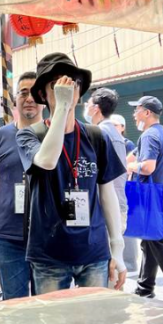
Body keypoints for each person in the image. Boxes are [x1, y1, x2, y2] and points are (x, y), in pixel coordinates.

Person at [17, 53, 127, 295]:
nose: (66, 88)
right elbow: (47, 161)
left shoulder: (96, 136)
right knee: (53, 319)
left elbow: (107, 192)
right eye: (56, 84)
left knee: (93, 317)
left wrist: (117, 248)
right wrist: (61, 107)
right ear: (43, 94)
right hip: (49, 254)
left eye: (72, 83)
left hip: (94, 252)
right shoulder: (30, 135)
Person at [0, 72, 42, 300]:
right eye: (23, 93)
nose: (29, 98)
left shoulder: (54, 136)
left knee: (48, 306)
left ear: (44, 98)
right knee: (14, 304)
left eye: (35, 92)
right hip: (9, 236)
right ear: (15, 100)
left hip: (48, 234)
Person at [126, 96, 163, 304]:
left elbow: (148, 167)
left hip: (152, 202)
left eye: (137, 110)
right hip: (160, 200)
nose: (134, 115)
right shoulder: (159, 133)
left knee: (161, 247)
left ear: (147, 113)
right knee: (149, 244)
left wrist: (131, 167)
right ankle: (144, 288)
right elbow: (132, 156)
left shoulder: (149, 135)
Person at [84, 88, 138, 274]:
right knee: (111, 265)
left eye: (88, 103)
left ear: (96, 108)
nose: (86, 107)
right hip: (117, 204)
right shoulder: (114, 133)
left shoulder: (99, 132)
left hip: (106, 207)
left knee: (107, 268)